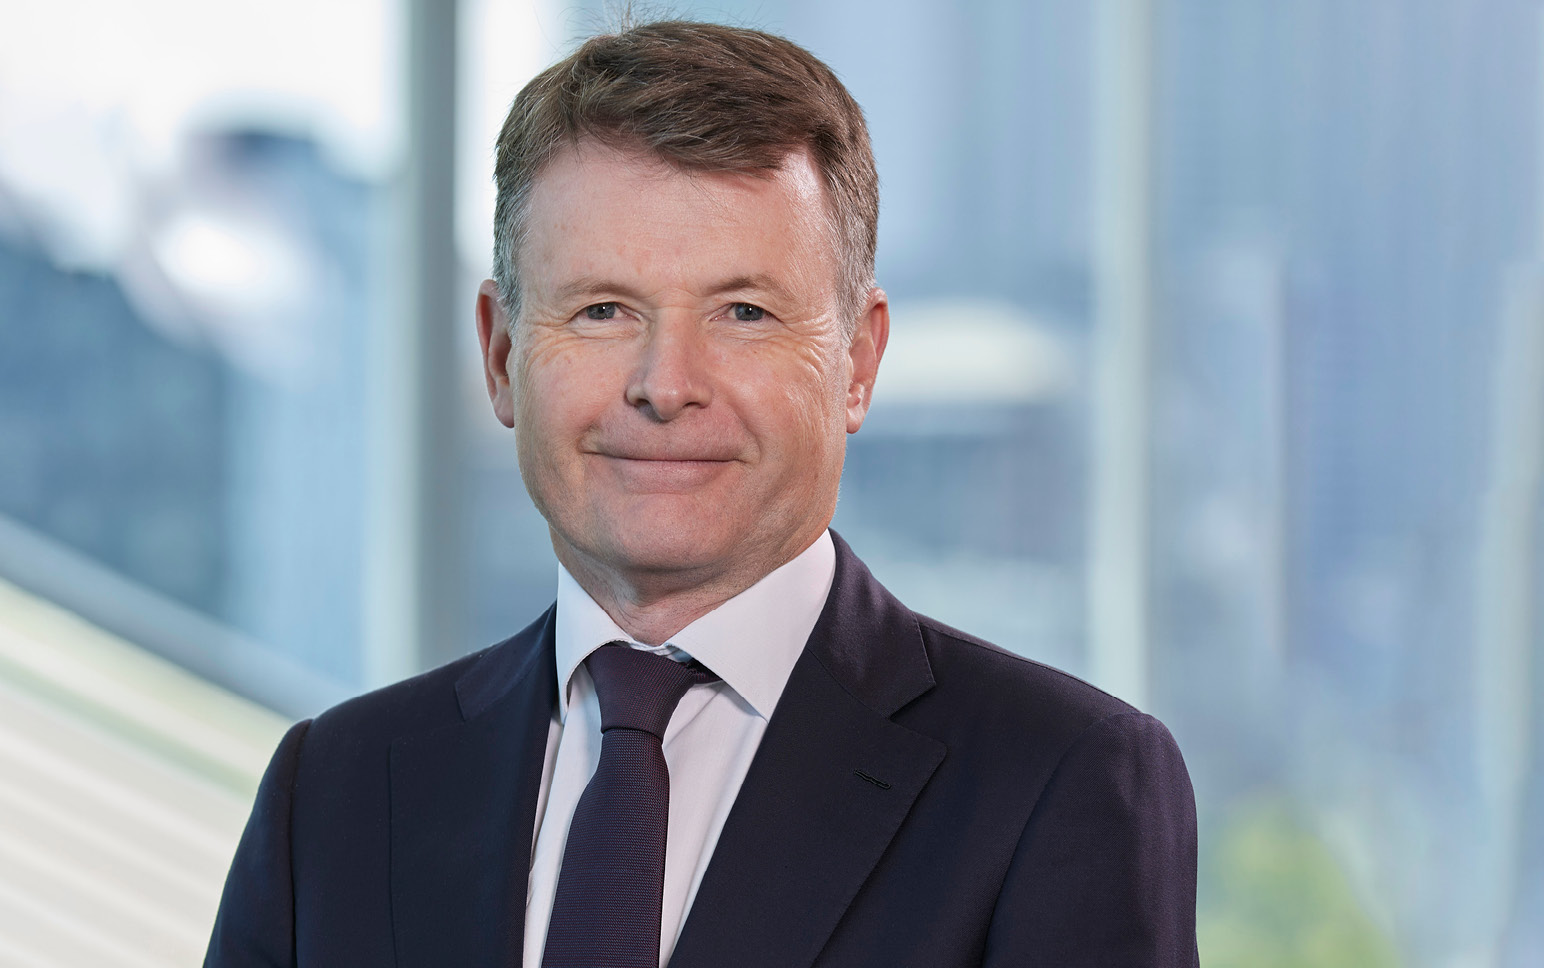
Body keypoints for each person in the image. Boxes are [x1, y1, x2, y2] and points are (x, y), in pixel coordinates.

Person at [205, 19, 1198, 968]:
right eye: (601, 309)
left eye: (744, 311)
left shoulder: (1057, 780)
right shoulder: (335, 789)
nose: (666, 382)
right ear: (503, 354)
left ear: (857, 360)